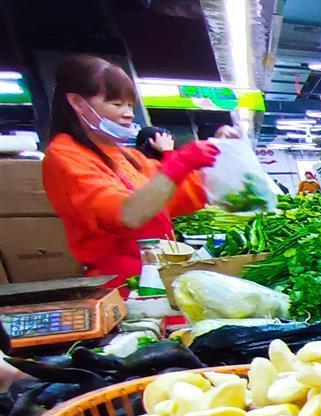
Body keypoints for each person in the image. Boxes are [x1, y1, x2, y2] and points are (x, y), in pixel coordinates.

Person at [41, 55, 218, 289]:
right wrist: (181, 162)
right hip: (119, 283)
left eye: (130, 105)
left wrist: (222, 158)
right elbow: (128, 215)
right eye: (117, 104)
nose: (128, 114)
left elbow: (179, 199)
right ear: (77, 102)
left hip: (155, 272)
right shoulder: (65, 156)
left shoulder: (127, 156)